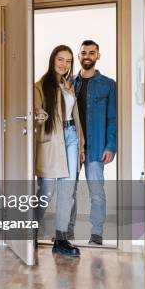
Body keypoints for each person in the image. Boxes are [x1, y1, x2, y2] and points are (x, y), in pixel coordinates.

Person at [34, 45, 85, 257]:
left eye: (68, 61)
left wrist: (81, 145)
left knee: (67, 191)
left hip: (71, 136)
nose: (64, 64)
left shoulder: (68, 85)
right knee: (47, 191)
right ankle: (31, 232)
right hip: (52, 140)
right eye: (60, 59)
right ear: (52, 59)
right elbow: (35, 110)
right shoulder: (40, 86)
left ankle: (61, 240)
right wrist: (38, 114)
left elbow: (76, 116)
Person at [70, 40, 117, 246]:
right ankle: (66, 231)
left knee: (96, 192)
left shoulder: (108, 84)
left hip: (97, 147)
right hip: (72, 147)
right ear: (79, 56)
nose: (87, 56)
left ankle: (96, 233)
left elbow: (113, 118)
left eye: (91, 52)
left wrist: (111, 146)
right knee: (68, 191)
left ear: (98, 56)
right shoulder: (69, 83)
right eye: (83, 53)